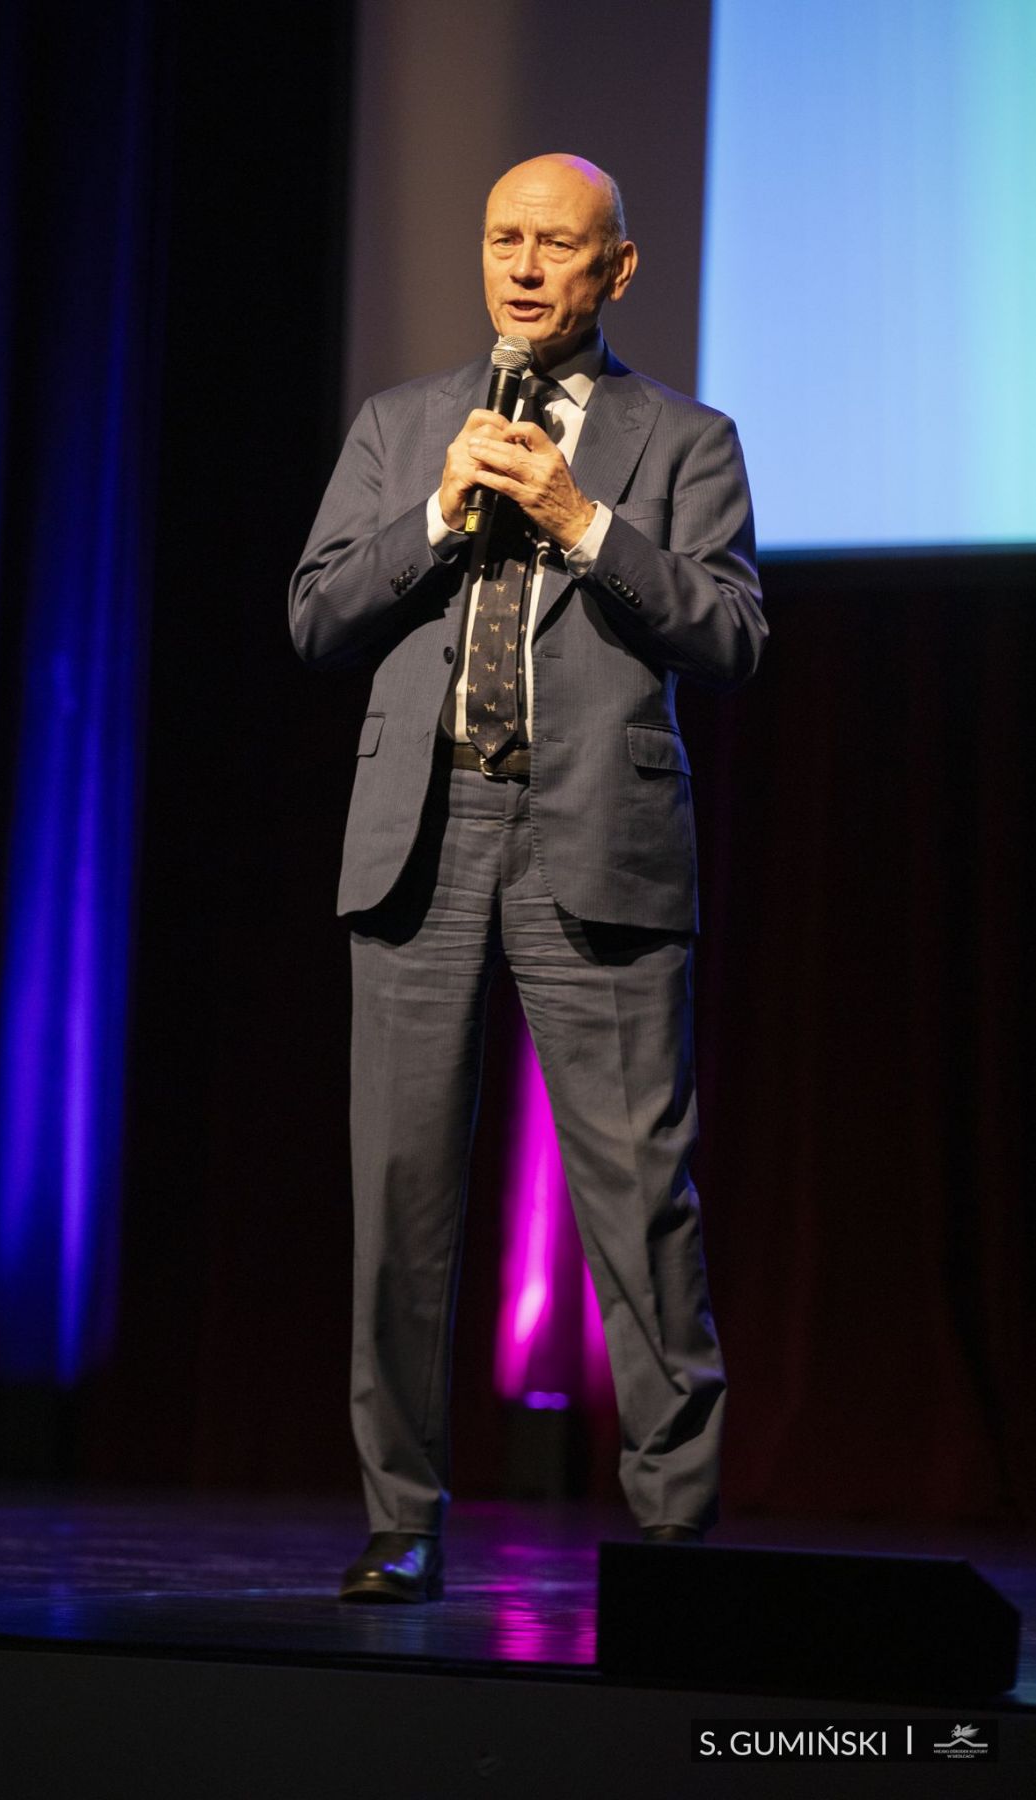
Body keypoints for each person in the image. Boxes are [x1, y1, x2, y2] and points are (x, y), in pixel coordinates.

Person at [289, 153, 766, 1602]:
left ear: (616, 269)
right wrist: (439, 514)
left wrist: (582, 522)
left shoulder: (685, 438)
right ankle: (401, 1519)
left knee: (639, 1200)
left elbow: (733, 636)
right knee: (400, 1199)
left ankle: (674, 1527)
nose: (523, 265)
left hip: (596, 844)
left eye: (557, 244)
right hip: (422, 840)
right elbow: (316, 617)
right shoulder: (401, 424)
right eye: (504, 238)